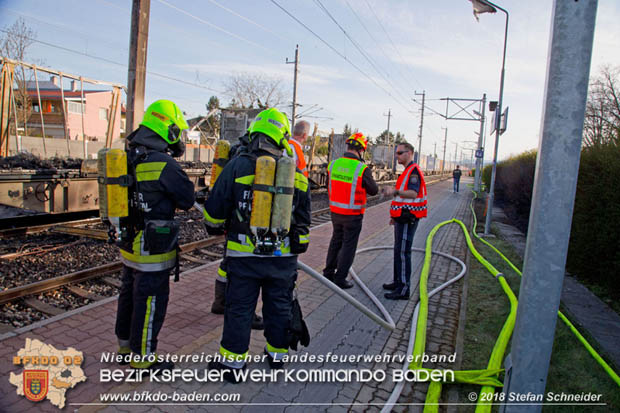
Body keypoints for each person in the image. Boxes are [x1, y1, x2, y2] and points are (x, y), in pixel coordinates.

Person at [203, 108, 311, 382]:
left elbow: (214, 214)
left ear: (254, 133)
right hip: (282, 259)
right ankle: (277, 356)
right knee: (279, 306)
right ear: (282, 137)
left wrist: (220, 223)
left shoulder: (236, 166)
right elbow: (304, 218)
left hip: (244, 257)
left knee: (239, 308)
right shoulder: (294, 172)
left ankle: (233, 366)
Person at [115, 100, 195, 372]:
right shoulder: (163, 163)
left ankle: (125, 347)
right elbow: (186, 199)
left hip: (128, 241)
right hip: (153, 246)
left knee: (128, 294)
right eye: (177, 131)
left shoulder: (125, 157)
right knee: (150, 300)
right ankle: (143, 357)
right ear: (168, 129)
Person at [210, 131, 264, 331]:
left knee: (226, 263)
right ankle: (245, 313)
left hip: (231, 222)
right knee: (245, 277)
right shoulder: (253, 161)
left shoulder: (236, 155)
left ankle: (220, 302)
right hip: (248, 228)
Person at [323, 132, 378, 289]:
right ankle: (340, 278)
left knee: (335, 241)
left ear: (348, 147)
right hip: (352, 215)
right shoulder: (361, 168)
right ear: (361, 150)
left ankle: (328, 273)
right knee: (348, 246)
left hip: (335, 212)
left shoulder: (333, 164)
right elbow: (373, 190)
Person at [382, 142, 427, 299]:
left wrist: (394, 191)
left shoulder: (413, 171)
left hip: (409, 218)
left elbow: (413, 194)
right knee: (398, 250)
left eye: (400, 153)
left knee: (402, 252)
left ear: (409, 153)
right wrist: (394, 217)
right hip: (402, 217)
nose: (397, 156)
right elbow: (402, 199)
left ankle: (403, 289)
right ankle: (397, 282)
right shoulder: (407, 171)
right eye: (397, 153)